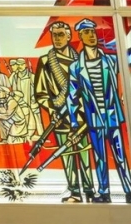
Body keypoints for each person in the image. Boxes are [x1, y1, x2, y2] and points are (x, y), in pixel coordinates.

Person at [66, 18, 131, 204]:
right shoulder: (76, 67)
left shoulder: (110, 60)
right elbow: (71, 96)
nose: (91, 35)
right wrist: (74, 122)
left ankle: (129, 191)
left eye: (93, 31)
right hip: (93, 120)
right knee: (100, 158)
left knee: (120, 156)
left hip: (112, 116)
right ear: (80, 36)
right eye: (87, 32)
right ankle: (104, 192)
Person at [34, 21, 94, 203]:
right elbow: (40, 93)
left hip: (81, 116)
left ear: (69, 36)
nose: (57, 39)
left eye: (61, 35)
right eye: (54, 35)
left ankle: (89, 191)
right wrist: (52, 109)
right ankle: (75, 192)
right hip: (60, 117)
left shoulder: (81, 61)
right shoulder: (45, 62)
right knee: (67, 157)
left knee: (84, 154)